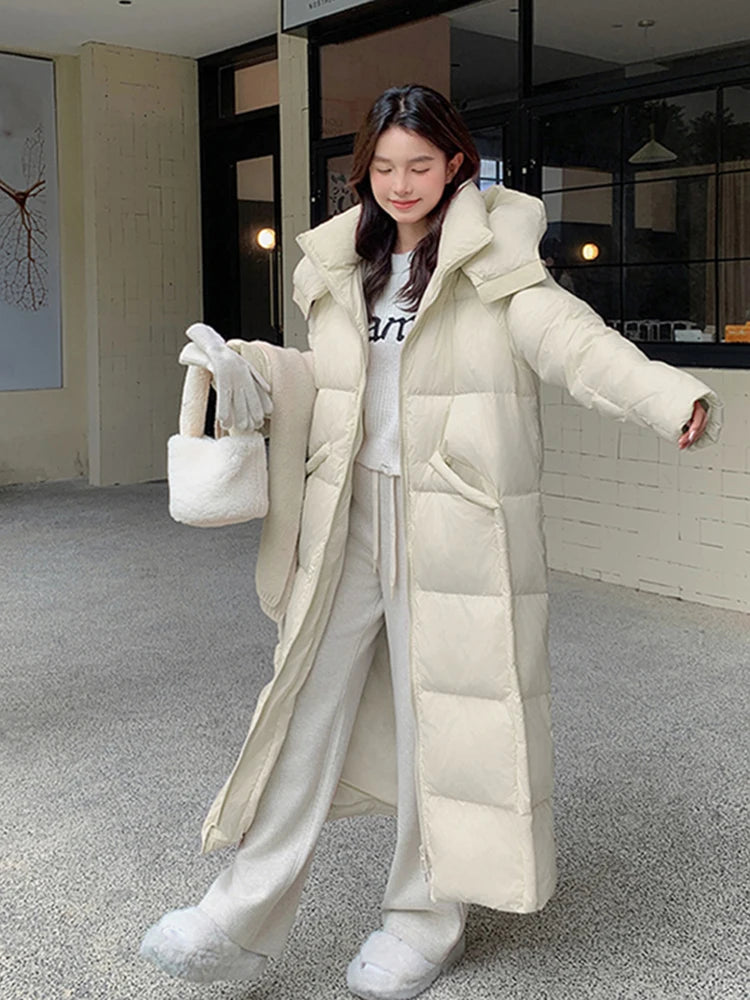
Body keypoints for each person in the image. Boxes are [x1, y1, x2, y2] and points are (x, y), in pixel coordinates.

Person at [139, 84, 720, 1000]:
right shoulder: (345, 267)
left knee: (438, 720)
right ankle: (236, 919)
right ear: (363, 172)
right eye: (384, 166)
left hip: (452, 519)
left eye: (419, 164)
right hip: (347, 512)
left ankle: (422, 922)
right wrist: (251, 367)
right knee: (301, 705)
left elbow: (572, 340)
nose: (401, 183)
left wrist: (666, 395)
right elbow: (335, 382)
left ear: (456, 164)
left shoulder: (494, 265)